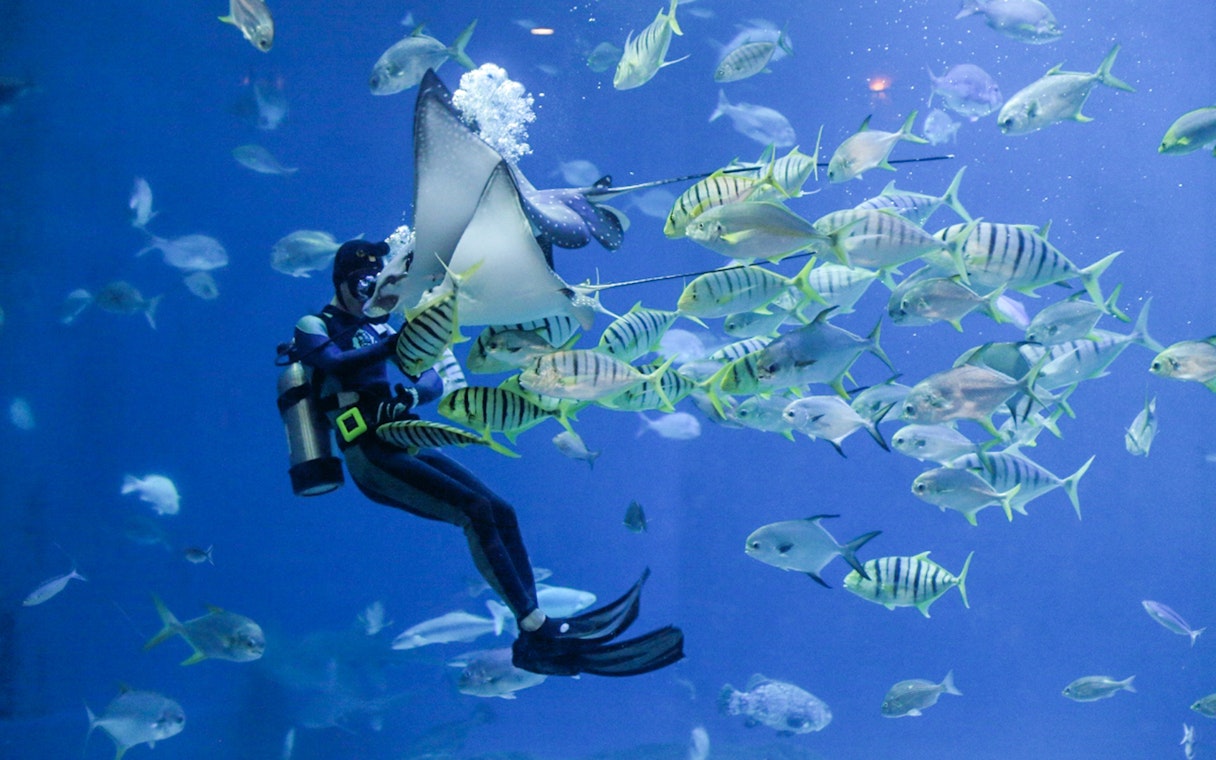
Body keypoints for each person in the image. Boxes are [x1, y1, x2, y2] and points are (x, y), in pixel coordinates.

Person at [286, 239, 684, 677]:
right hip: (367, 453)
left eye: (377, 282)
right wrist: (397, 342)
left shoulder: (381, 328)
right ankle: (534, 628)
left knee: (500, 509)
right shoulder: (316, 322)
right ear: (343, 280)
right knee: (473, 512)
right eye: (365, 283)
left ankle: (537, 621)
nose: (373, 293)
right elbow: (329, 361)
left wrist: (408, 391)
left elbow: (433, 380)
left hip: (400, 436)